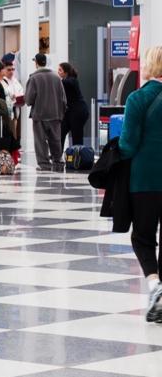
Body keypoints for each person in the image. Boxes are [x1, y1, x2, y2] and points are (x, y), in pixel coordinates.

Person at [118, 45, 162, 323]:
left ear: (148, 65)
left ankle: (155, 285)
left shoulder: (137, 99)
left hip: (144, 179)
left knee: (143, 237)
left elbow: (128, 144)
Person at [25, 53, 67, 172]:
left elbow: (28, 100)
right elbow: (63, 99)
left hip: (39, 115)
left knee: (40, 141)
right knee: (56, 139)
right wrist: (61, 112)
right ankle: (58, 161)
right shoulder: (56, 77)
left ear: (36, 63)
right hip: (55, 114)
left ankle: (44, 164)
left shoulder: (33, 78)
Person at [59, 62, 89, 147]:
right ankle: (57, 156)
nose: (58, 72)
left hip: (78, 112)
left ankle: (78, 155)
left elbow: (66, 83)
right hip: (70, 112)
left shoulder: (72, 80)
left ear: (66, 72)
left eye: (60, 70)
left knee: (77, 136)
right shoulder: (65, 81)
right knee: (61, 132)